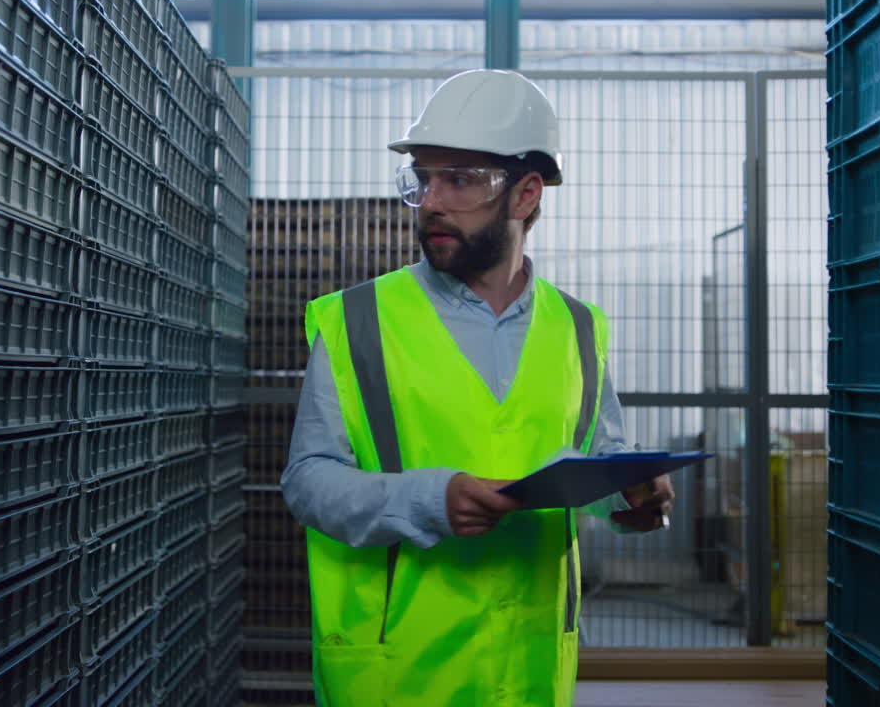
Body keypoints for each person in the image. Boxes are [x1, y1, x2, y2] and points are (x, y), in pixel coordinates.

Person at [280, 69, 675, 707]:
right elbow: (308, 481)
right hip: (398, 673)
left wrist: (632, 499)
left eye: (460, 179)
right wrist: (429, 498)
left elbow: (601, 465)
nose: (431, 200)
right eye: (423, 178)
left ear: (525, 194)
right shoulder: (356, 320)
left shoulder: (578, 328)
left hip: (530, 671)